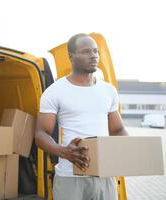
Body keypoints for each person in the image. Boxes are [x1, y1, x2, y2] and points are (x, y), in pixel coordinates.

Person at [35, 33, 128, 200]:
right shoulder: (55, 91)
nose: (93, 56)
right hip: (70, 177)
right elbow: (41, 134)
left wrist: (127, 152)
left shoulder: (109, 91)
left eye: (95, 51)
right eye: (86, 51)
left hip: (104, 176)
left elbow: (118, 129)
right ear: (71, 56)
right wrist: (63, 151)